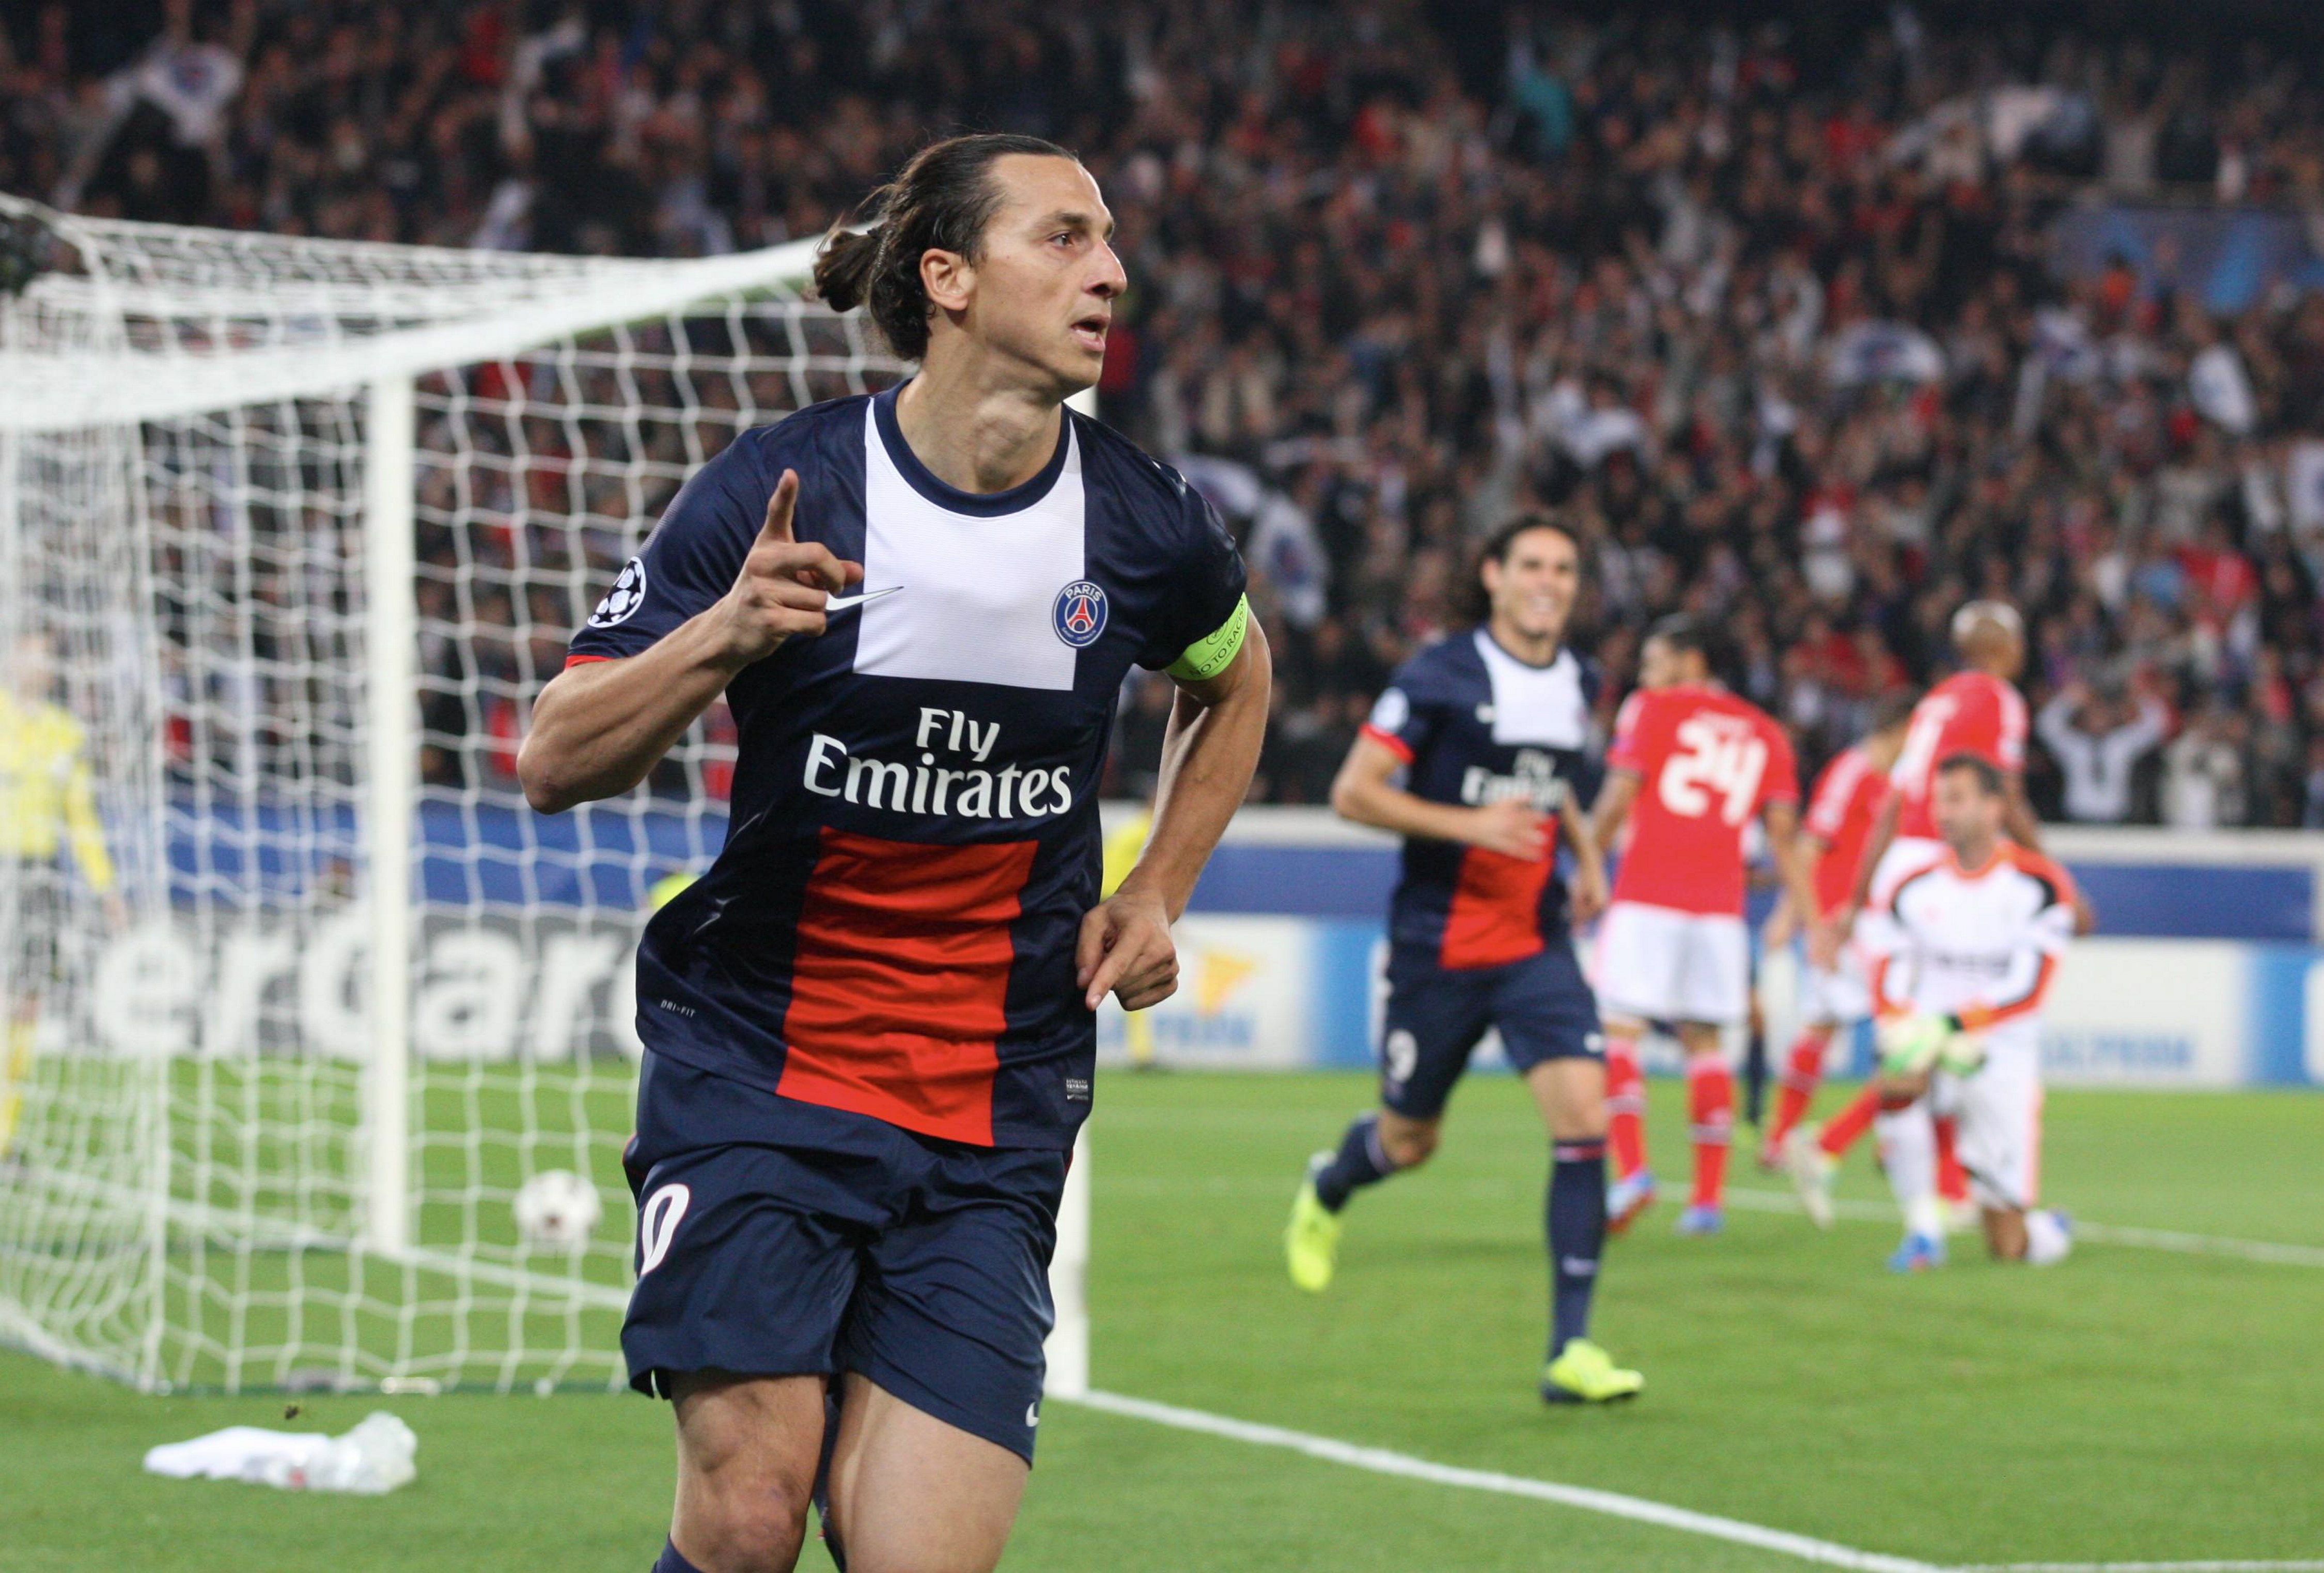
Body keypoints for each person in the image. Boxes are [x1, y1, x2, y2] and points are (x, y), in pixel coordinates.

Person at [519, 133, 1271, 1573]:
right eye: (1063, 237)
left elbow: (1236, 681)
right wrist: (720, 636)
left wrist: (1157, 885)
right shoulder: (781, 486)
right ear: (947, 277)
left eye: (1109, 241)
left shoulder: (1142, 521)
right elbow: (555, 757)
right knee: (747, 1520)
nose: (1111, 272)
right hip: (762, 1072)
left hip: (992, 1108)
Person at [1282, 516, 1640, 1406]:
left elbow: (1554, 781)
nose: (1547, 581)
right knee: (1410, 1140)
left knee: (1582, 1118)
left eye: (1563, 568)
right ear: (1492, 575)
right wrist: (1468, 824)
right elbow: (1353, 792)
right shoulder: (1438, 673)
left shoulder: (1578, 679)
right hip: (1437, 946)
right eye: (1531, 564)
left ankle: (1570, 1349)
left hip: (1533, 941)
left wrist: (1587, 858)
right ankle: (1330, 1183)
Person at [1588, 616, 1826, 1237]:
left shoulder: (1650, 709)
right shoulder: (1765, 731)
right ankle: (1705, 1202)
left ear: (1690, 660)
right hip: (1719, 912)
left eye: (1654, 660)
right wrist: (1812, 919)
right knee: (1706, 1044)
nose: (1645, 675)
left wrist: (1584, 868)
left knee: (1618, 1032)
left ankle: (1632, 1172)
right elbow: (1784, 839)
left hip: (1647, 896)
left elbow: (1616, 799)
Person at [1852, 754, 2077, 1271]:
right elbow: (1888, 965)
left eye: (1955, 799)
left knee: (2007, 1247)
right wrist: (1903, 1019)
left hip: (2000, 1051)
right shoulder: (1911, 886)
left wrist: (1953, 1025)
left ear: (1994, 807)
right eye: (1938, 800)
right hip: (1930, 1035)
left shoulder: (2038, 886)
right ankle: (1922, 1233)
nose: (1941, 812)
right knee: (1897, 1075)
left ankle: (2047, 1231)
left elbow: (2027, 989)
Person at [1758, 693, 1915, 1182]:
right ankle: (1805, 1139)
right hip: (1840, 922)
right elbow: (1809, 845)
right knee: (1897, 1031)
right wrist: (1792, 917)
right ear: (1901, 728)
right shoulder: (1853, 771)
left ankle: (1788, 1139)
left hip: (1873, 922)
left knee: (1838, 1027)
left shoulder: (1899, 779)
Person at [2, 633, 125, 1159]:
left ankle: (4, 1137)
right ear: (12, 658)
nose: (38, 664)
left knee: (26, 1004)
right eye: (30, 652)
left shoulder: (66, 732)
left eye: (47, 655)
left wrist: (106, 887)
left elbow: (81, 818)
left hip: (38, 874)